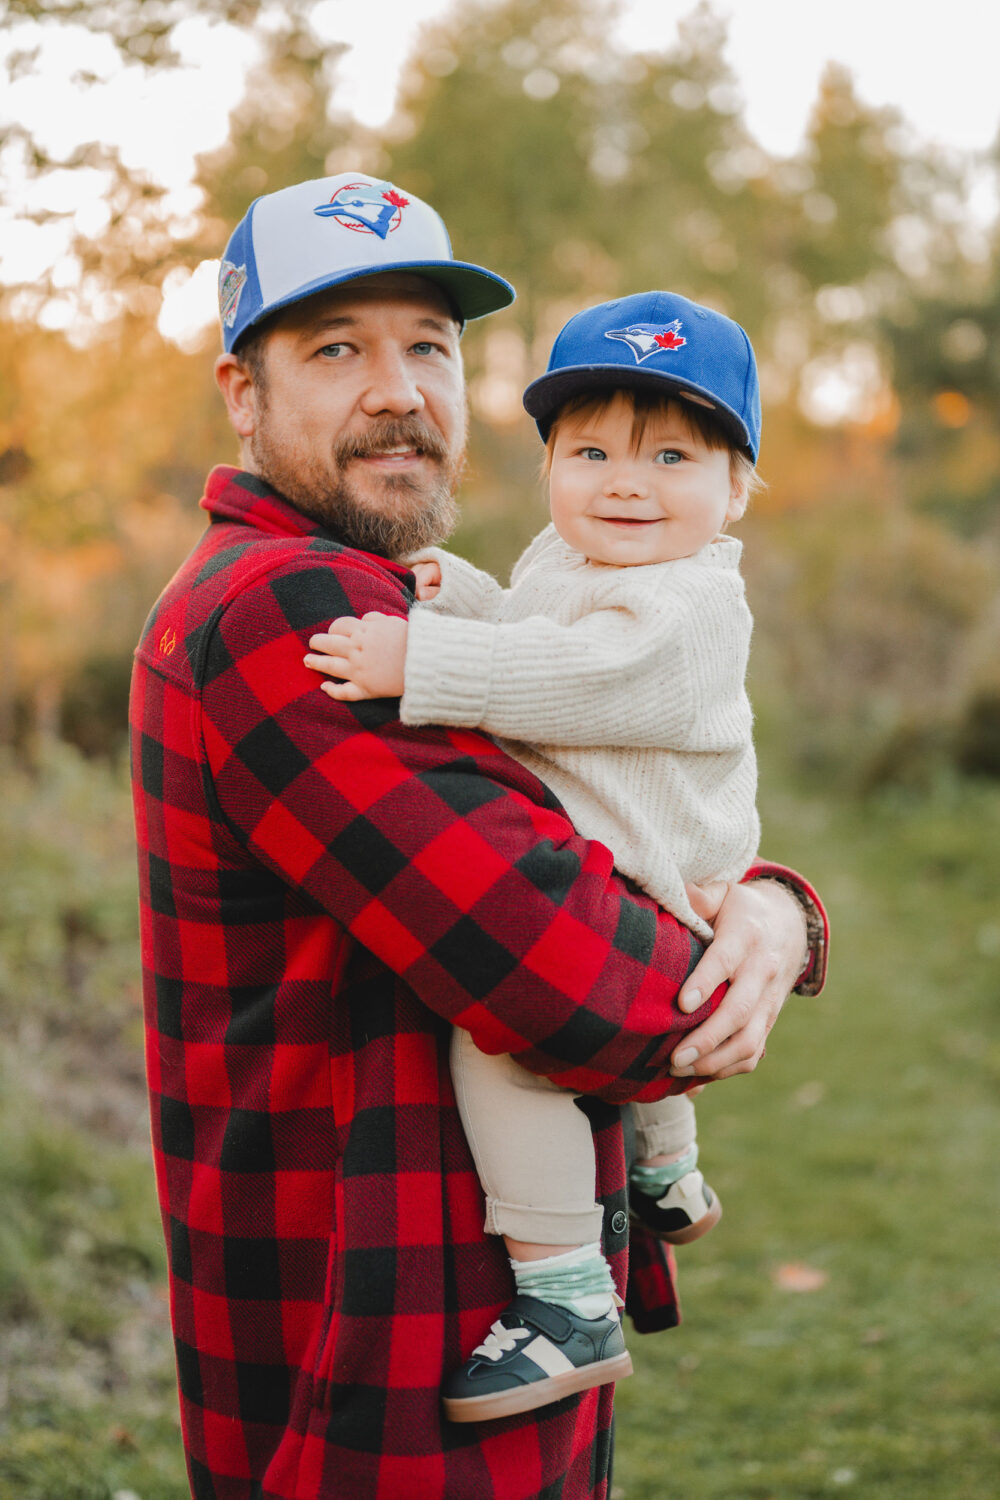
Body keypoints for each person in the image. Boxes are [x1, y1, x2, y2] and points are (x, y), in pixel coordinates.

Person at [129, 171, 828, 1500]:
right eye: (337, 348)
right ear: (243, 393)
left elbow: (579, 808)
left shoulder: (383, 602)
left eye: (429, 347)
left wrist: (773, 902)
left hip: (454, 1308)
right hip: (373, 1365)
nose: (399, 389)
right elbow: (588, 985)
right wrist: (745, 933)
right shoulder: (293, 616)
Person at [303, 290, 765, 1423]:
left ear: (737, 488)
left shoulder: (696, 602)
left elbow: (586, 680)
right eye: (591, 449)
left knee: (497, 1050)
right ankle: (665, 1174)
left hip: (664, 880)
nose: (625, 481)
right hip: (646, 876)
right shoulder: (572, 559)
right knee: (644, 1023)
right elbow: (543, 634)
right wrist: (465, 593)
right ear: (550, 461)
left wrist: (426, 662)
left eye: (671, 455)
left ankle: (564, 1294)